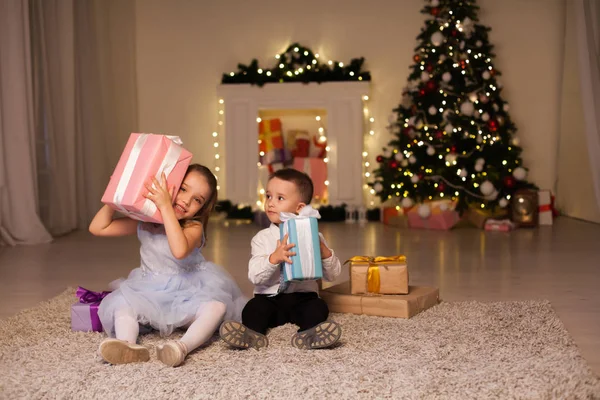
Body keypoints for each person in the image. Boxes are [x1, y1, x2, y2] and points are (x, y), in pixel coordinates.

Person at [90, 164, 246, 367]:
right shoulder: (146, 221)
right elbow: (98, 227)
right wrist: (116, 194)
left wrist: (165, 207)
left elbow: (179, 250)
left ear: (203, 207)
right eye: (183, 189)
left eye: (197, 200)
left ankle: (181, 348)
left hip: (188, 291)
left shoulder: (193, 227)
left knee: (216, 308)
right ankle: (127, 345)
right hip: (149, 289)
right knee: (122, 305)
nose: (186, 201)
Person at [219, 168, 341, 350]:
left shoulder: (315, 236)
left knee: (318, 308)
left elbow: (333, 275)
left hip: (302, 297)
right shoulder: (262, 238)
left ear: (300, 208)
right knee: (252, 309)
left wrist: (323, 251)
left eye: (280, 198)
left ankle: (310, 334)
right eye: (268, 196)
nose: (270, 203)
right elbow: (255, 277)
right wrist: (273, 259)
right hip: (269, 298)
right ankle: (251, 334)